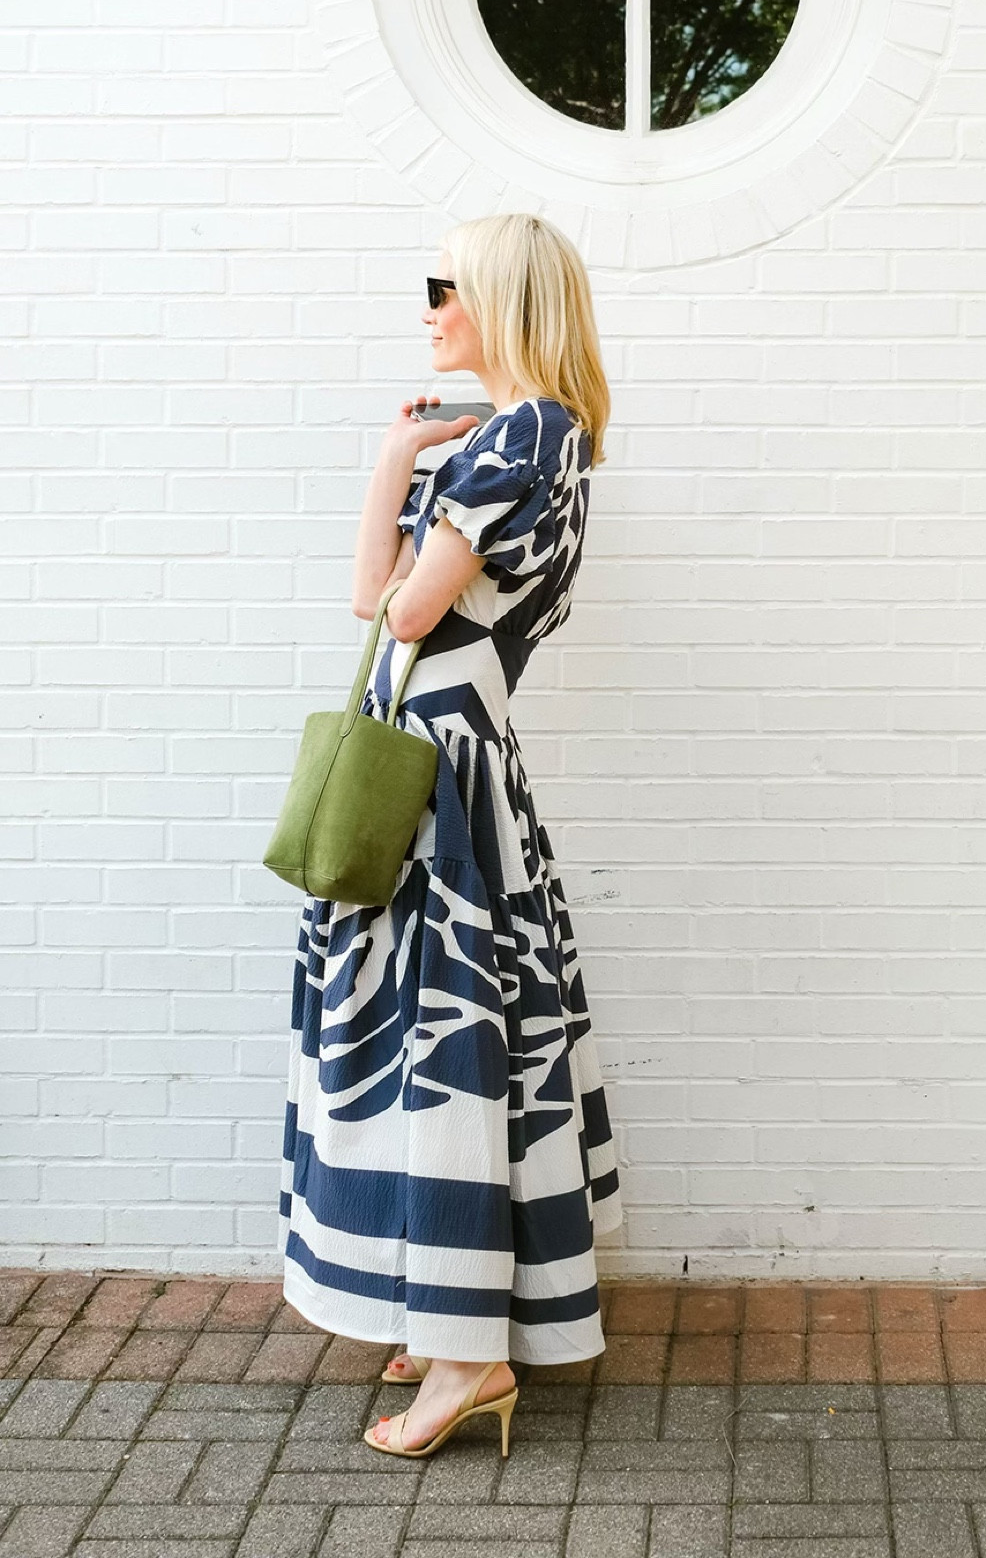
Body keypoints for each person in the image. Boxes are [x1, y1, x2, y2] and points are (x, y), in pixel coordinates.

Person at [278, 212, 622, 1460]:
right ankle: (453, 1312)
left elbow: (407, 603)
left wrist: (407, 463)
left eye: (449, 288)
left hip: (436, 766)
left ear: (502, 299)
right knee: (449, 1029)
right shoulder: (529, 434)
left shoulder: (527, 433)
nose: (432, 308)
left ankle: (470, 1359)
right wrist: (397, 452)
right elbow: (374, 596)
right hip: (444, 752)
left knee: (443, 1037)